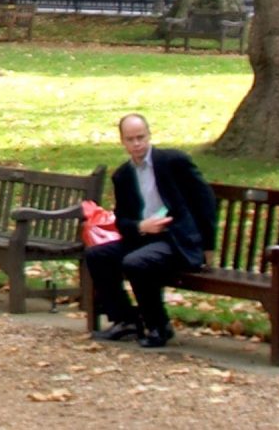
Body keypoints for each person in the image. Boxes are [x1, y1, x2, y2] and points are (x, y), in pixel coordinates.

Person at [85, 113, 217, 349]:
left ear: (149, 135)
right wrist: (140, 226)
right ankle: (125, 319)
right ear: (123, 142)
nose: (137, 144)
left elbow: (204, 200)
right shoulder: (123, 175)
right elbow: (122, 220)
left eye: (141, 137)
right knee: (98, 255)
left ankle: (158, 325)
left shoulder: (173, 162)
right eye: (131, 139)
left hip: (176, 240)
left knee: (137, 262)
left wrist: (208, 246)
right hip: (144, 236)